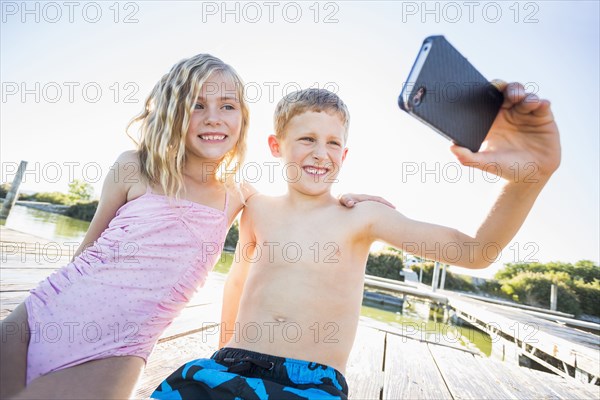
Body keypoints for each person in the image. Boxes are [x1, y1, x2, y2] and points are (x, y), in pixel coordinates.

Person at [0, 55, 383, 400]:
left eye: (227, 106)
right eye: (197, 105)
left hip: (118, 349)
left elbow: (302, 206)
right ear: (174, 111)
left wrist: (349, 202)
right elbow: (86, 250)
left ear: (242, 119)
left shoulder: (239, 195)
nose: (213, 117)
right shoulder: (133, 166)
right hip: (41, 315)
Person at [152, 85, 561, 399]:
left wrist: (529, 177)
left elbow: (475, 251)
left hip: (308, 381)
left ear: (344, 156)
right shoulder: (256, 207)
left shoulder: (361, 216)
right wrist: (222, 353)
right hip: (231, 365)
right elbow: (240, 280)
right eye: (306, 139)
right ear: (276, 147)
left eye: (332, 143)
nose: (320, 153)